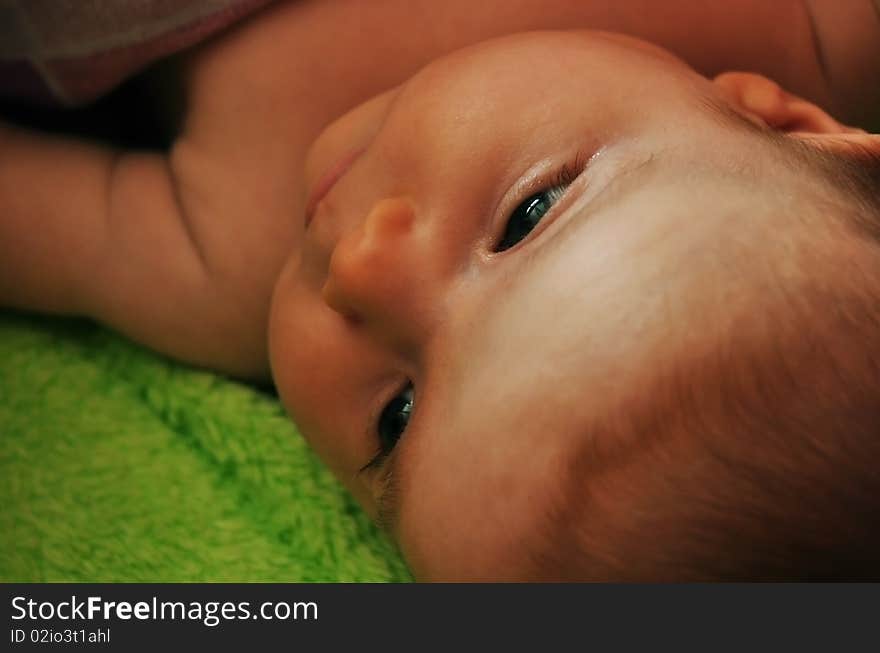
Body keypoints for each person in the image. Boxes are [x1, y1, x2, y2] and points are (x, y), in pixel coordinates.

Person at [1, 0, 879, 580]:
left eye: (399, 417)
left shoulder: (213, 260)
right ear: (780, 118)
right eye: (528, 214)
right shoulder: (808, 28)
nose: (361, 271)